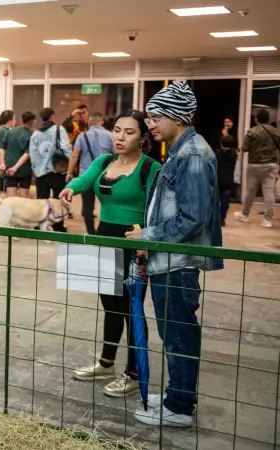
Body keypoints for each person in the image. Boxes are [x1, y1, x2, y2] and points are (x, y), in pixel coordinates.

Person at [125, 80, 223, 427]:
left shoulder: (192, 155)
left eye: (155, 116)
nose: (150, 123)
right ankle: (175, 395)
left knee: (179, 335)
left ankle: (179, 407)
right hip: (166, 259)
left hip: (178, 263)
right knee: (174, 333)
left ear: (175, 116)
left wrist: (146, 235)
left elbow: (193, 217)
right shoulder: (181, 150)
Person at [59, 109, 160, 398]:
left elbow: (158, 207)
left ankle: (133, 372)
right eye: (117, 130)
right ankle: (106, 364)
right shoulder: (105, 161)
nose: (120, 137)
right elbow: (85, 180)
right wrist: (69, 189)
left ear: (142, 137)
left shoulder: (150, 167)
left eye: (129, 132)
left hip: (134, 244)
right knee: (110, 305)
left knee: (132, 310)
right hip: (104, 239)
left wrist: (147, 238)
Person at [66, 111, 115, 234]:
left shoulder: (82, 136)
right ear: (102, 121)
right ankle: (106, 231)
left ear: (89, 121)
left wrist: (69, 172)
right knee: (108, 204)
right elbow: (117, 156)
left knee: (88, 206)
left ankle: (91, 233)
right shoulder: (111, 136)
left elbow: (74, 155)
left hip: (86, 176)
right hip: (106, 176)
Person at [28, 108, 73, 232]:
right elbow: (66, 148)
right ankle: (58, 226)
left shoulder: (35, 133)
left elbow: (32, 153)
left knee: (42, 201)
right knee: (59, 201)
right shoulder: (59, 129)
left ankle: (41, 225)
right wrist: (71, 165)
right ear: (52, 117)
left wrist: (36, 169)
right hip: (58, 171)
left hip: (41, 173)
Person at [234, 108, 279, 228]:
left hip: (255, 164)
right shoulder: (275, 131)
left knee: (250, 191)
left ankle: (245, 215)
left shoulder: (252, 131)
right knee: (269, 192)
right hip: (271, 165)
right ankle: (267, 220)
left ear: (256, 119)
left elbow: (244, 148)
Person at [0, 111, 36, 198]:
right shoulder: (31, 136)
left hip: (9, 169)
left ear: (21, 120)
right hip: (24, 171)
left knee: (11, 199)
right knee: (23, 199)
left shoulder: (10, 132)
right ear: (32, 122)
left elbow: (2, 148)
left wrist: (2, 163)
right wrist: (15, 168)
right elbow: (27, 154)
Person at [216, 135, 239, 226]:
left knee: (215, 201)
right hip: (229, 181)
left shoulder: (218, 153)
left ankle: (215, 218)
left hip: (217, 180)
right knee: (225, 201)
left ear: (221, 144)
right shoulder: (234, 154)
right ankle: (222, 218)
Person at [0, 110, 16, 193]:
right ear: (10, 120)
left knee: (6, 191)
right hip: (1, 166)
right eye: (14, 118)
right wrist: (0, 166)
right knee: (2, 192)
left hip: (6, 165)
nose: (15, 121)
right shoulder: (0, 131)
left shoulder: (7, 130)